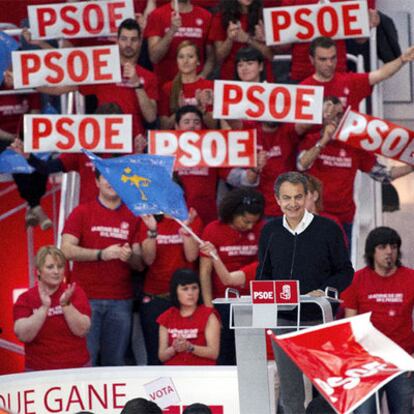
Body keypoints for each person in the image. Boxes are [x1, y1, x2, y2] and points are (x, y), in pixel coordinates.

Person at [256, 171, 353, 414]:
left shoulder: (328, 229)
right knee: (290, 394)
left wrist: (326, 290)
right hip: (283, 322)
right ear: (277, 200)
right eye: (286, 198)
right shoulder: (270, 231)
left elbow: (346, 271)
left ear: (308, 197)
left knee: (328, 390)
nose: (293, 204)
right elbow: (263, 274)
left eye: (298, 197)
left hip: (319, 321)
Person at [298, 96, 414, 245]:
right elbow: (302, 164)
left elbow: (384, 175)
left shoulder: (355, 145)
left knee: (341, 264)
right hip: (313, 215)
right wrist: (323, 141)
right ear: (323, 116)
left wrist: (411, 166)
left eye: (339, 115)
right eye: (331, 114)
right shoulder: (310, 140)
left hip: (343, 217)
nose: (335, 119)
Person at [61, 170, 143, 366]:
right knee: (85, 360)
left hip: (121, 300)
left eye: (116, 178)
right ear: (97, 182)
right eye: (106, 177)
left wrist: (130, 256)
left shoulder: (134, 216)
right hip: (85, 298)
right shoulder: (82, 212)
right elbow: (65, 250)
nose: (111, 182)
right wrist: (101, 254)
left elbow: (139, 265)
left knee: (115, 362)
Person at [39, 18, 158, 140]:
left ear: (139, 42)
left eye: (133, 40)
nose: (128, 44)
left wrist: (137, 84)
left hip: (135, 143)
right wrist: (26, 80)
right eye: (124, 39)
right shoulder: (102, 71)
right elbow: (59, 88)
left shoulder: (149, 77)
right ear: (116, 41)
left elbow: (151, 117)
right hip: (105, 141)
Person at [341, 227, 414, 414]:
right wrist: (354, 362)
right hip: (367, 362)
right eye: (382, 247)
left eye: (394, 246)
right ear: (372, 252)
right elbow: (350, 324)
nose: (389, 251)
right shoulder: (357, 280)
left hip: (401, 360)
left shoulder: (410, 278)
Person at [200, 188, 265, 364]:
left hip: (253, 302)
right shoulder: (213, 230)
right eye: (245, 221)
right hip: (223, 302)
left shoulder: (262, 230)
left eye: (254, 222)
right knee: (226, 355)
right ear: (234, 213)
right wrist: (209, 309)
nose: (250, 226)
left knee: (253, 356)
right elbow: (205, 272)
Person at [139, 207, 203, 365]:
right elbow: (148, 260)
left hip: (185, 300)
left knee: (186, 355)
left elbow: (192, 256)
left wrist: (186, 230)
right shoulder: (148, 218)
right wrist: (153, 231)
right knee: (155, 356)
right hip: (156, 295)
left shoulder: (190, 216)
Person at [13, 246, 91, 371]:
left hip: (76, 368)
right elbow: (22, 335)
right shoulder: (25, 298)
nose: (56, 271)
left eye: (60, 267)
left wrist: (66, 305)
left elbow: (82, 330)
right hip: (39, 371)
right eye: (50, 267)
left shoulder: (75, 292)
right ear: (38, 271)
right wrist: (44, 308)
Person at [300, 36, 414, 111]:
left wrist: (402, 59)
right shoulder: (303, 89)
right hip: (315, 146)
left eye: (333, 58)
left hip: (348, 145)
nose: (329, 64)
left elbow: (382, 73)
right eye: (323, 59)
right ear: (312, 59)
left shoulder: (349, 81)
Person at [157, 269, 220, 365]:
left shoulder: (209, 316)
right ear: (175, 291)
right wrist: (174, 348)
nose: (190, 293)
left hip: (202, 372)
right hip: (174, 372)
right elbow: (162, 356)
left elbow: (214, 353)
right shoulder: (166, 317)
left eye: (194, 288)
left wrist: (189, 347)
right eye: (185, 289)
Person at [144, 0, 214, 84]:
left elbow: (211, 58)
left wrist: (202, 77)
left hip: (195, 88)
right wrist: (172, 31)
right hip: (164, 87)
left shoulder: (206, 16)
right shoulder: (157, 15)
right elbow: (154, 57)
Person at [208, 0, 273, 81]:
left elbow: (271, 56)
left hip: (261, 78)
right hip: (231, 77)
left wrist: (248, 39)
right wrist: (230, 38)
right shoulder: (220, 17)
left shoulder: (264, 15)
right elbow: (219, 57)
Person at [159, 40, 215, 129]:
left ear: (198, 61)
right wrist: (180, 111)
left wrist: (202, 110)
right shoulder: (168, 88)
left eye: (190, 56)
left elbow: (216, 126)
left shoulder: (210, 86)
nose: (185, 61)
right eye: (181, 57)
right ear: (177, 61)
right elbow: (164, 127)